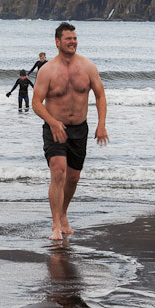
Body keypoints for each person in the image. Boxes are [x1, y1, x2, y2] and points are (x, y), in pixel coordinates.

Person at [32, 22, 109, 241]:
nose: (73, 42)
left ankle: (63, 213)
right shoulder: (47, 70)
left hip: (79, 130)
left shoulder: (87, 67)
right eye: (68, 39)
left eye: (74, 38)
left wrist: (101, 124)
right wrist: (53, 122)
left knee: (73, 178)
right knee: (58, 171)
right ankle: (56, 224)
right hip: (54, 128)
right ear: (58, 42)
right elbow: (36, 102)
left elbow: (100, 95)